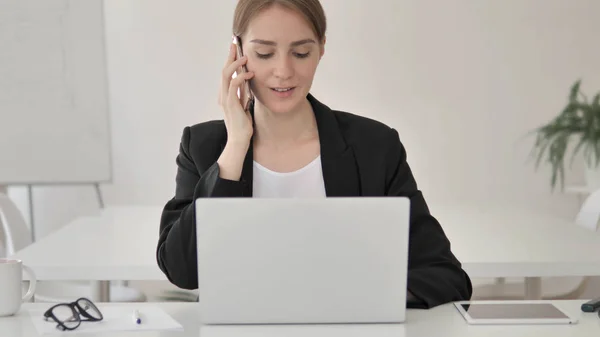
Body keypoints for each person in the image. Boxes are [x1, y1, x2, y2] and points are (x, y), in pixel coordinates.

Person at [156, 0, 472, 309]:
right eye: (264, 53)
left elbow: (446, 276)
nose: (283, 71)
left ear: (321, 48)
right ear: (237, 53)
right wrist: (236, 143)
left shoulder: (375, 146)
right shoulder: (204, 146)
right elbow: (183, 271)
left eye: (301, 52)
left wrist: (358, 297)